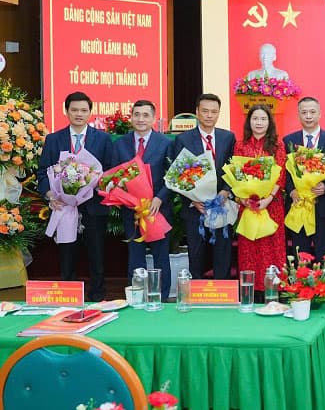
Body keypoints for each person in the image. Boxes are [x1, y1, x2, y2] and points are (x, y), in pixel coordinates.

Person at [37, 91, 113, 301]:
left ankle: (97, 296)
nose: (79, 114)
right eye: (74, 110)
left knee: (96, 255)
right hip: (64, 206)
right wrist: (51, 194)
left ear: (90, 112)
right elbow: (43, 172)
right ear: (66, 111)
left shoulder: (103, 139)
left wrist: (97, 184)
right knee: (67, 254)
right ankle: (69, 296)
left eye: (83, 110)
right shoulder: (53, 139)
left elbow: (109, 171)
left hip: (94, 205)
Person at [170, 93, 235, 280]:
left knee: (222, 254)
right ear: (197, 112)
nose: (209, 115)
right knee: (196, 255)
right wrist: (193, 200)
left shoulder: (227, 137)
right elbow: (178, 174)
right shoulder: (183, 139)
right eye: (205, 111)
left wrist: (225, 192)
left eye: (214, 112)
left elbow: (232, 168)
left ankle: (222, 291)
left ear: (219, 113)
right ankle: (197, 292)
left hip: (221, 205)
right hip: (195, 209)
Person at [112, 100, 172, 300]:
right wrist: (122, 193)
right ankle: (136, 298)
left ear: (154, 118)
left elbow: (172, 176)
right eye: (136, 114)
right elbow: (114, 176)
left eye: (146, 115)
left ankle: (162, 298)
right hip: (131, 210)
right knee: (135, 256)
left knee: (161, 257)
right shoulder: (120, 144)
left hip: (157, 210)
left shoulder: (166, 143)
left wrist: (159, 198)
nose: (141, 119)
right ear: (131, 117)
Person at [233, 105, 287, 298]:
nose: (259, 123)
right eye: (255, 118)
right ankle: (251, 292)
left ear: (269, 122)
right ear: (249, 121)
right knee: (249, 247)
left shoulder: (277, 145)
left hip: (271, 206)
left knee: (272, 248)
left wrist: (268, 198)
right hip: (248, 206)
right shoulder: (240, 145)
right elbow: (236, 174)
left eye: (263, 119)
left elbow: (280, 175)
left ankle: (274, 290)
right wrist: (243, 199)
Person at [282, 97, 325, 258]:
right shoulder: (288, 140)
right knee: (300, 253)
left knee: (324, 253)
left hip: (323, 207)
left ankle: (324, 275)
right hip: (299, 205)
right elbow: (284, 172)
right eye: (304, 112)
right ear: (298, 115)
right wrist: (291, 190)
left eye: (312, 112)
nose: (308, 116)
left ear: (320, 114)